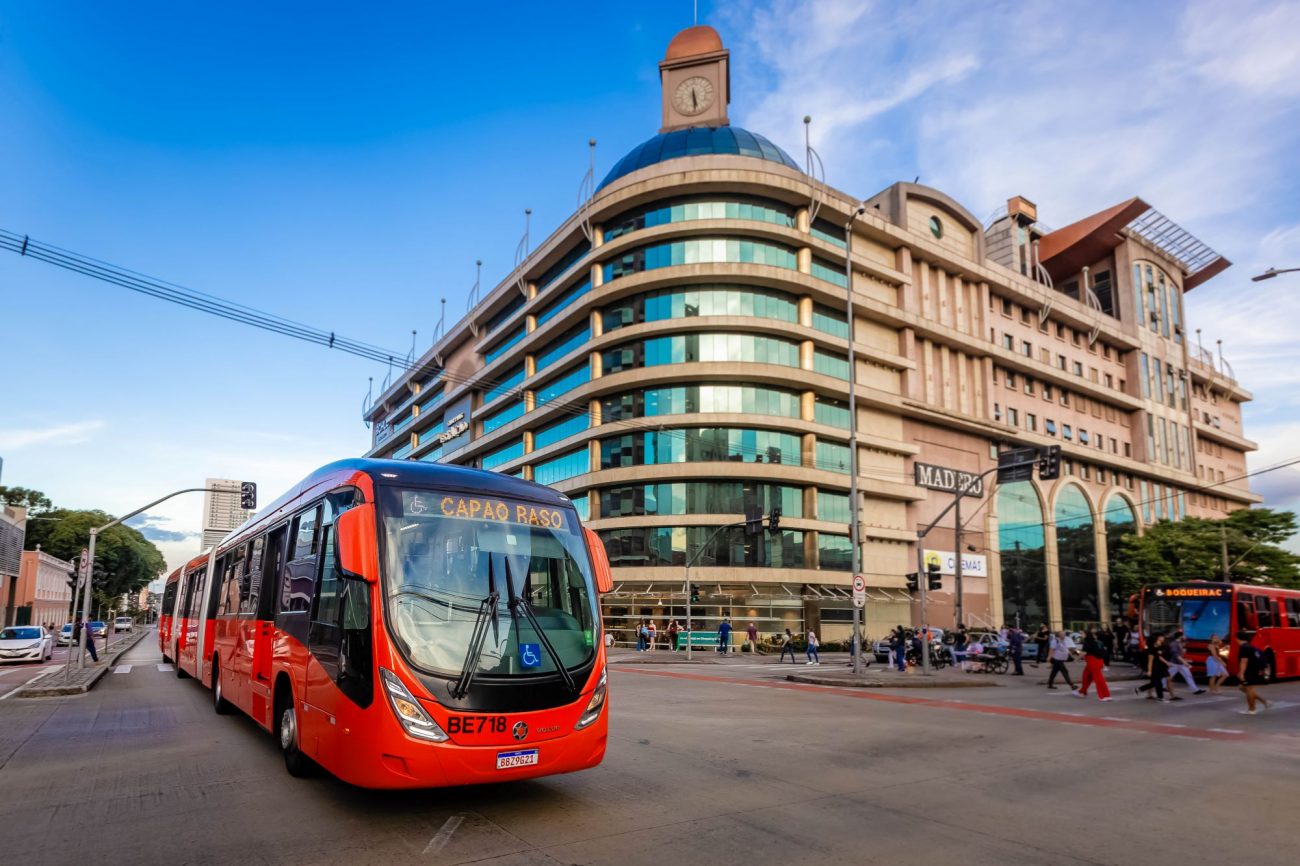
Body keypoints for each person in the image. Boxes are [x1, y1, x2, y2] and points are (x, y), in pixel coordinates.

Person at [1237, 632, 1271, 715]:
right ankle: (1264, 701)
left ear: (1238, 639)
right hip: (1254, 670)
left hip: (1249, 670)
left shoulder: (1243, 647)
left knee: (1249, 689)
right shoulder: (1250, 646)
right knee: (1241, 687)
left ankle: (1252, 710)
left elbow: (1244, 660)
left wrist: (1241, 672)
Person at [1075, 626, 1111, 701]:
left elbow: (1084, 653)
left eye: (1082, 633)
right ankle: (1082, 692)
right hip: (1096, 661)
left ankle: (1105, 696)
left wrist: (1076, 659)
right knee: (1086, 676)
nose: (1081, 635)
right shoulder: (1094, 641)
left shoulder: (1087, 641)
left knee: (1099, 679)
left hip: (1093, 662)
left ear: (1086, 634)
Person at [1166, 631, 1205, 695]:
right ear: (1180, 636)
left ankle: (1195, 690)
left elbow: (1180, 655)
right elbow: (1176, 655)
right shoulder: (1174, 644)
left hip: (1180, 664)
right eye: (1184, 636)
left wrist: (1185, 660)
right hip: (1174, 664)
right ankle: (1159, 687)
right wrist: (1185, 662)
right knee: (1167, 677)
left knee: (1188, 676)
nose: (1185, 637)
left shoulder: (1180, 643)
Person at [1135, 633, 1170, 702]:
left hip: (1156, 668)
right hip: (1154, 669)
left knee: (1155, 683)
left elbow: (1159, 657)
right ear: (1155, 642)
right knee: (1157, 683)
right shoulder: (1151, 650)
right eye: (1159, 641)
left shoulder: (1155, 649)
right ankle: (1160, 697)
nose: (1160, 642)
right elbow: (1150, 662)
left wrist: (1166, 662)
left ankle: (1139, 689)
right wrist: (1149, 671)